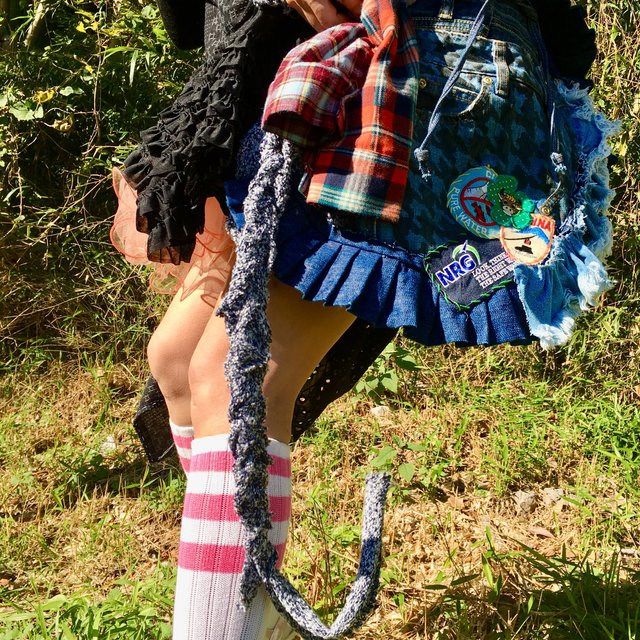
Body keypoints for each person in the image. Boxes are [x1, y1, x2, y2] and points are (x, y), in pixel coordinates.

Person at [111, 0, 616, 638]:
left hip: (419, 74)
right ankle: (250, 612)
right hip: (293, 74)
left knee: (236, 376)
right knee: (176, 360)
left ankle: (234, 620)